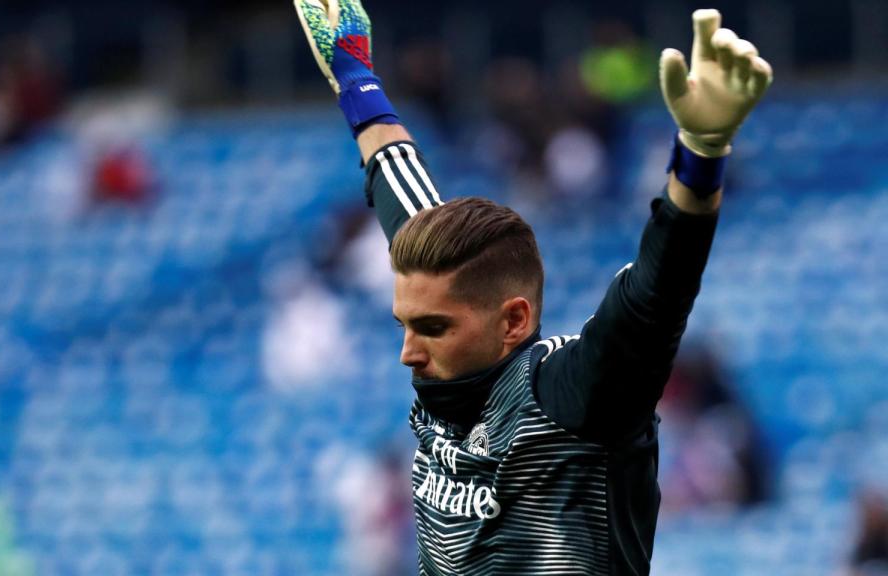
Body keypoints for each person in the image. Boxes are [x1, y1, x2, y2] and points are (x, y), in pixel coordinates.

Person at [293, 1, 772, 574]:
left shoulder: (573, 395)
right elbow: (403, 195)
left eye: (434, 328)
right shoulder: (455, 389)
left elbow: (658, 290)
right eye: (409, 325)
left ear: (513, 321)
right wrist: (355, 78)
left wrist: (700, 155)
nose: (409, 352)